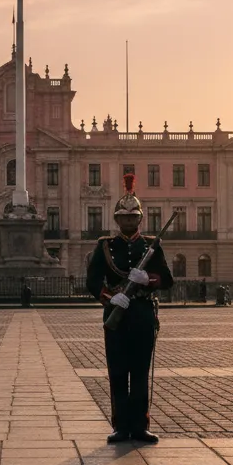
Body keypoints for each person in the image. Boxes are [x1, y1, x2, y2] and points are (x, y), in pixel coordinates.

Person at [86, 173, 174, 445]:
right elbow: (91, 281)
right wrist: (110, 298)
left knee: (139, 371)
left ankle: (140, 426)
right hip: (117, 316)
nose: (128, 221)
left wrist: (148, 279)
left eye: (132, 217)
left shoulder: (151, 245)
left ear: (139, 219)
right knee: (117, 372)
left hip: (142, 314)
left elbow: (167, 280)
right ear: (117, 220)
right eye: (123, 218)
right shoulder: (105, 247)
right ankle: (120, 427)